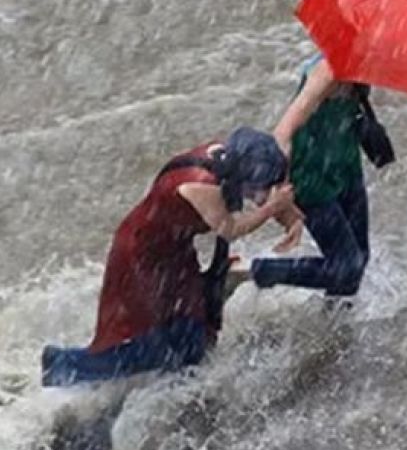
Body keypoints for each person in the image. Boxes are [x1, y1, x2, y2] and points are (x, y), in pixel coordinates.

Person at [41, 127, 299, 387]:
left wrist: (289, 219)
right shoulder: (200, 184)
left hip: (174, 248)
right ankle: (63, 365)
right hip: (141, 256)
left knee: (192, 326)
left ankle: (179, 386)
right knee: (144, 339)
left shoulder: (229, 158)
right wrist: (271, 209)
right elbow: (230, 229)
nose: (260, 194)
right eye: (257, 187)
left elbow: (268, 193)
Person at [242, 53, 390, 300]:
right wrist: (283, 202)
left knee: (358, 260)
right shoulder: (326, 73)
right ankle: (250, 271)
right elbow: (282, 134)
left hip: (346, 168)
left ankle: (337, 329)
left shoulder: (362, 65)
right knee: (346, 268)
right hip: (311, 180)